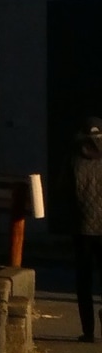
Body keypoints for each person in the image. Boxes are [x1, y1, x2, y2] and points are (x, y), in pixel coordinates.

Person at [72, 117, 102, 341]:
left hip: (82, 229)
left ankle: (88, 331)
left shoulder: (74, 161)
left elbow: (63, 193)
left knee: (84, 282)